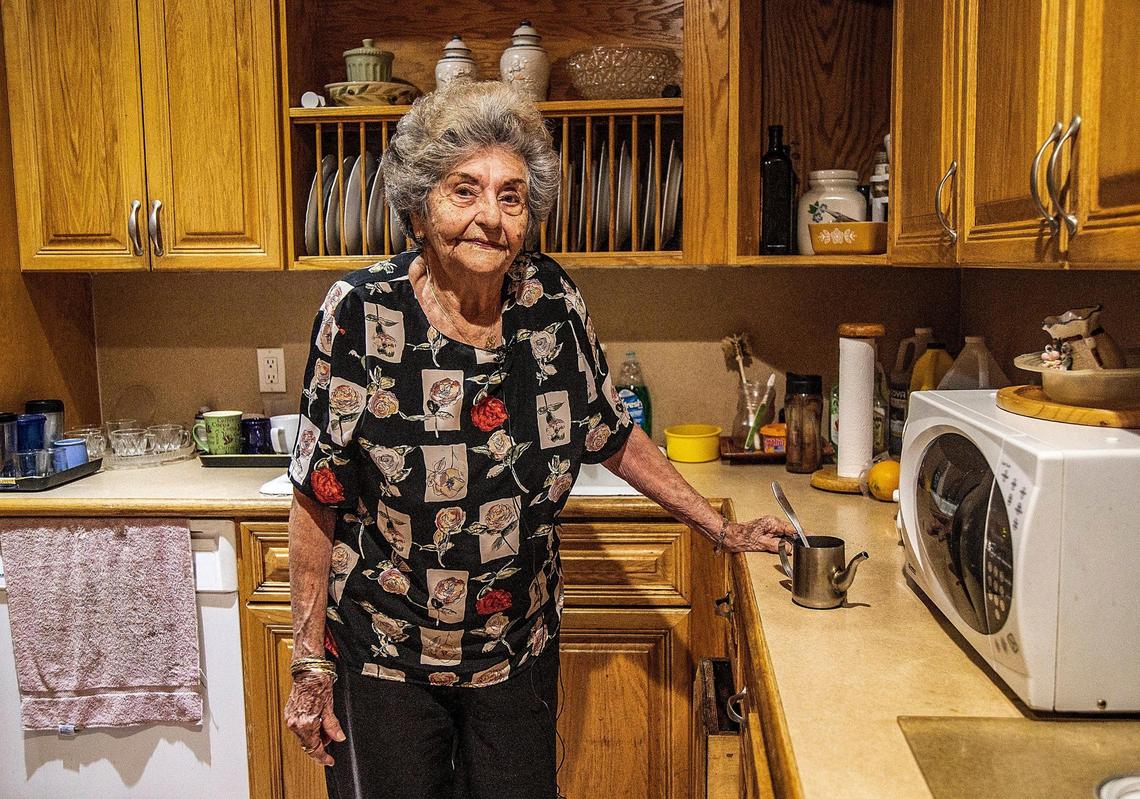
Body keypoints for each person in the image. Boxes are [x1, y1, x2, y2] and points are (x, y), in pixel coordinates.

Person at [285, 80, 796, 799]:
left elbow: (611, 431)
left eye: (511, 195)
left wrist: (720, 527)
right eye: (464, 191)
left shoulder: (551, 303)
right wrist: (309, 660)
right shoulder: (361, 313)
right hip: (386, 657)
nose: (489, 217)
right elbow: (316, 495)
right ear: (419, 207)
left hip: (515, 650)